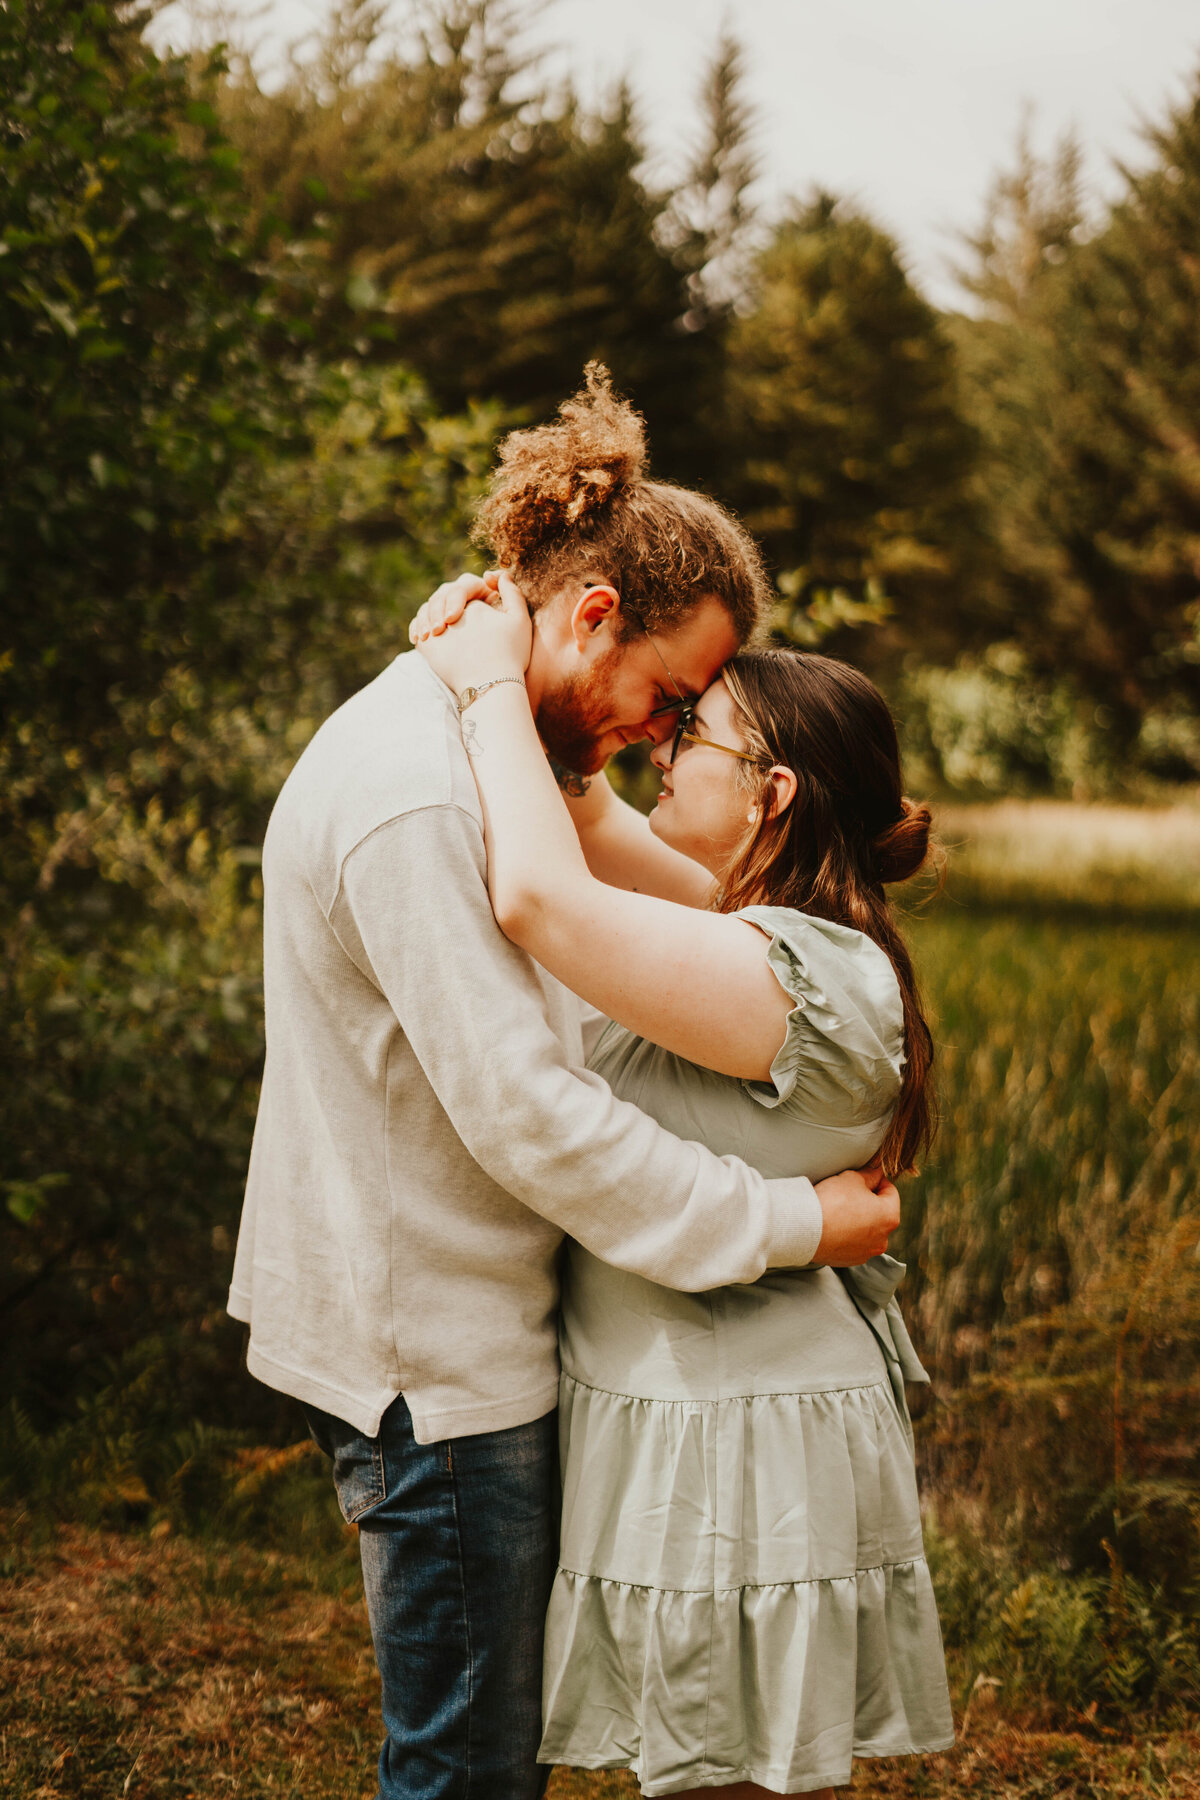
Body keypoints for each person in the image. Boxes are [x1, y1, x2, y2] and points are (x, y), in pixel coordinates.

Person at [227, 365, 901, 1800]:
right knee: (469, 1772)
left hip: (480, 1334)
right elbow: (530, 1109)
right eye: (664, 699)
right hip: (439, 1365)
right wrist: (792, 1225)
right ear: (592, 614)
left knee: (486, 1763)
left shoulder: (492, 755)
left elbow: (686, 919)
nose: (663, 739)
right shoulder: (420, 789)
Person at [411, 576, 957, 1795]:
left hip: (740, 1428)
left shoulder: (807, 974)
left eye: (692, 732)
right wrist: (527, 647)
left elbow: (542, 893)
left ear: (771, 794)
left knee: (727, 1780)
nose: (665, 742)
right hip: (698, 1400)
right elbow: (581, 815)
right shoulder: (746, 921)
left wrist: (493, 681)